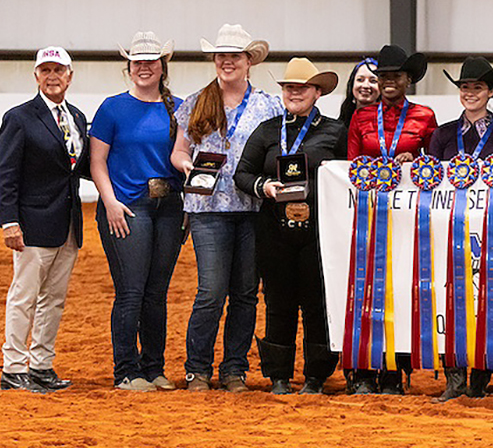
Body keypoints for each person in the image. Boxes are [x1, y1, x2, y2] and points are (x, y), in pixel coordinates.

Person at [171, 24, 283, 392]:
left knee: (246, 293)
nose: (227, 62)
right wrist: (186, 166)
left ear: (249, 61)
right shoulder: (195, 102)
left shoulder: (269, 105)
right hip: (208, 208)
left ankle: (234, 368)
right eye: (221, 56)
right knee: (211, 291)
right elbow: (179, 151)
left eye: (234, 56)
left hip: (254, 207)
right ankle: (197, 367)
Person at [235, 58, 346, 395]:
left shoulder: (334, 130)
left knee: (317, 304)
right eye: (289, 87)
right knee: (278, 302)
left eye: (302, 87)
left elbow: (345, 173)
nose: (294, 92)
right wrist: (264, 187)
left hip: (319, 230)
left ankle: (316, 377)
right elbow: (243, 172)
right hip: (273, 227)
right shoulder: (268, 130)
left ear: (316, 92)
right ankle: (279, 376)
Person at [89, 32, 186, 392]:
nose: (144, 67)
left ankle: (154, 366)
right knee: (131, 289)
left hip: (169, 207)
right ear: (129, 68)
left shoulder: (177, 108)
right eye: (137, 62)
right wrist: (110, 202)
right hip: (126, 207)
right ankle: (126, 370)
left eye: (151, 61)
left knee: (156, 291)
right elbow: (97, 162)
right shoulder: (112, 108)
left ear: (162, 67)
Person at [0, 46, 89, 394]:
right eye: (46, 70)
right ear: (36, 76)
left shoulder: (77, 117)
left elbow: (79, 167)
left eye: (58, 70)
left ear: (70, 76)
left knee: (54, 299)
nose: (52, 77)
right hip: (32, 223)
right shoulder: (19, 118)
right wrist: (9, 221)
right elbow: (5, 174)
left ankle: (41, 365)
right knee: (24, 296)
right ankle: (14, 368)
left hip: (67, 224)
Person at [428, 56, 493, 401]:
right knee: (450, 298)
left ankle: (480, 375)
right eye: (465, 87)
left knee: (489, 298)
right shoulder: (443, 135)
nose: (470, 93)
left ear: (491, 91)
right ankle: (454, 376)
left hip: (491, 230)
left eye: (477, 87)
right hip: (450, 228)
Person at [347, 44, 438, 394]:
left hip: (407, 215)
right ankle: (365, 371)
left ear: (407, 80)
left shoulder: (425, 117)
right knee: (365, 289)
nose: (388, 82)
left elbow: (436, 168)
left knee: (400, 289)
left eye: (395, 76)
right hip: (368, 214)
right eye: (383, 76)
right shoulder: (360, 118)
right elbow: (351, 165)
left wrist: (414, 165)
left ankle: (395, 371)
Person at [338, 57, 379, 127]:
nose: (366, 85)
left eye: (373, 81)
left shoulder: (390, 124)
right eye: (360, 80)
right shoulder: (339, 128)